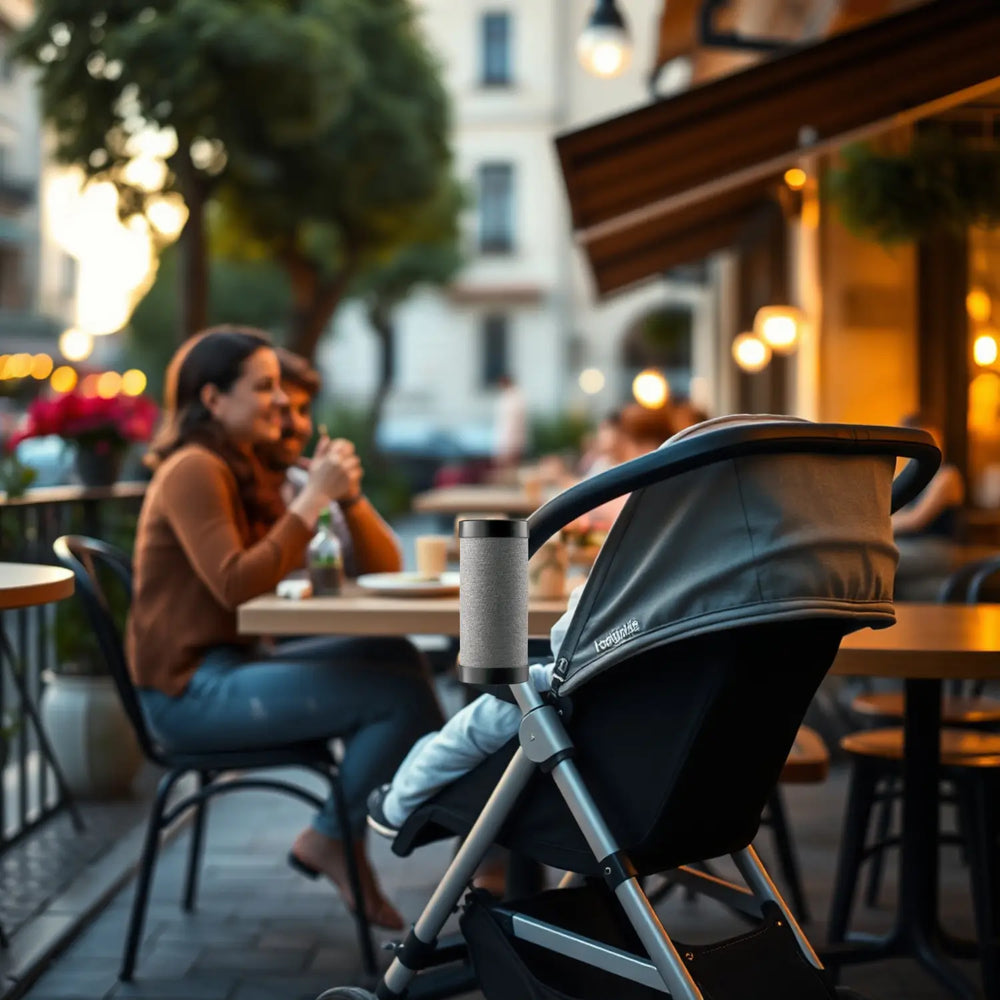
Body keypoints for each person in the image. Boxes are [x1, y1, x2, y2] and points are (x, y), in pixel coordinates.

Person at [126, 327, 443, 930]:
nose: (279, 402)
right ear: (213, 399)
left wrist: (342, 498)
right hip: (186, 692)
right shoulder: (193, 468)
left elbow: (374, 569)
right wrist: (310, 501)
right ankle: (343, 836)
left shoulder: (244, 469)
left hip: (235, 664)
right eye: (264, 386)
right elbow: (235, 582)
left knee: (397, 654)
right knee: (394, 696)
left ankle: (404, 829)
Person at [256, 348, 401, 578]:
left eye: (303, 410)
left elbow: (389, 571)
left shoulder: (301, 483)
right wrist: (316, 492)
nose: (297, 424)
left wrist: (350, 497)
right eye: (281, 410)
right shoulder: (228, 486)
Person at [493, 374, 527, 472]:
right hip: (505, 437)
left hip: (513, 437)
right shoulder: (506, 397)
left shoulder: (516, 397)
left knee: (512, 463)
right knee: (505, 464)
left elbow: (516, 422)